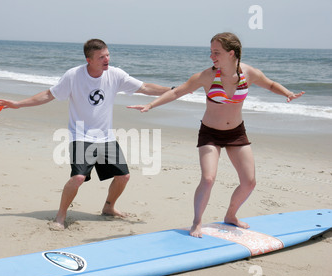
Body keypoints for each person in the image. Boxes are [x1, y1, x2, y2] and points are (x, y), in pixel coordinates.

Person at [128, 32, 304, 237]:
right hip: (210, 133)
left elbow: (271, 84)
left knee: (249, 182)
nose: (212, 56)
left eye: (216, 52)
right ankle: (197, 222)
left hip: (236, 133)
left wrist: (287, 93)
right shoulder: (207, 76)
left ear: (231, 53)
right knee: (209, 178)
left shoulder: (249, 73)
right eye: (211, 52)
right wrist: (150, 105)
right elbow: (178, 92)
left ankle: (231, 215)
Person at [0, 39, 171, 230]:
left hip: (105, 137)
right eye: (101, 57)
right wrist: (19, 104)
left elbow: (144, 87)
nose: (107, 60)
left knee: (123, 176)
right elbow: (49, 94)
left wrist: (174, 91)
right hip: (80, 136)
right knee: (78, 178)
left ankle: (109, 207)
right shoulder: (73, 76)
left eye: (107, 55)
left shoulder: (115, 74)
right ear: (89, 59)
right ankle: (60, 216)